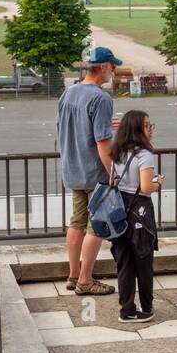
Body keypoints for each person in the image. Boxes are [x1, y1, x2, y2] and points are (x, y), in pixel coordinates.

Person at [56, 59, 116, 295]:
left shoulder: (68, 93)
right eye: (112, 67)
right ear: (103, 68)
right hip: (94, 171)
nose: (114, 71)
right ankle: (86, 280)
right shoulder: (101, 98)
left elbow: (64, 128)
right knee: (97, 225)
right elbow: (101, 141)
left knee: (77, 221)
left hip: (73, 168)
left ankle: (73, 275)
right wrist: (113, 172)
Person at [107, 110, 162, 322]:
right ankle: (147, 307)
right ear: (137, 129)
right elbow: (146, 187)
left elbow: (112, 181)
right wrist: (159, 183)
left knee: (124, 263)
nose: (150, 130)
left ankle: (127, 309)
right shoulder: (144, 155)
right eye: (147, 126)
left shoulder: (117, 152)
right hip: (140, 212)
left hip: (120, 212)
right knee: (144, 262)